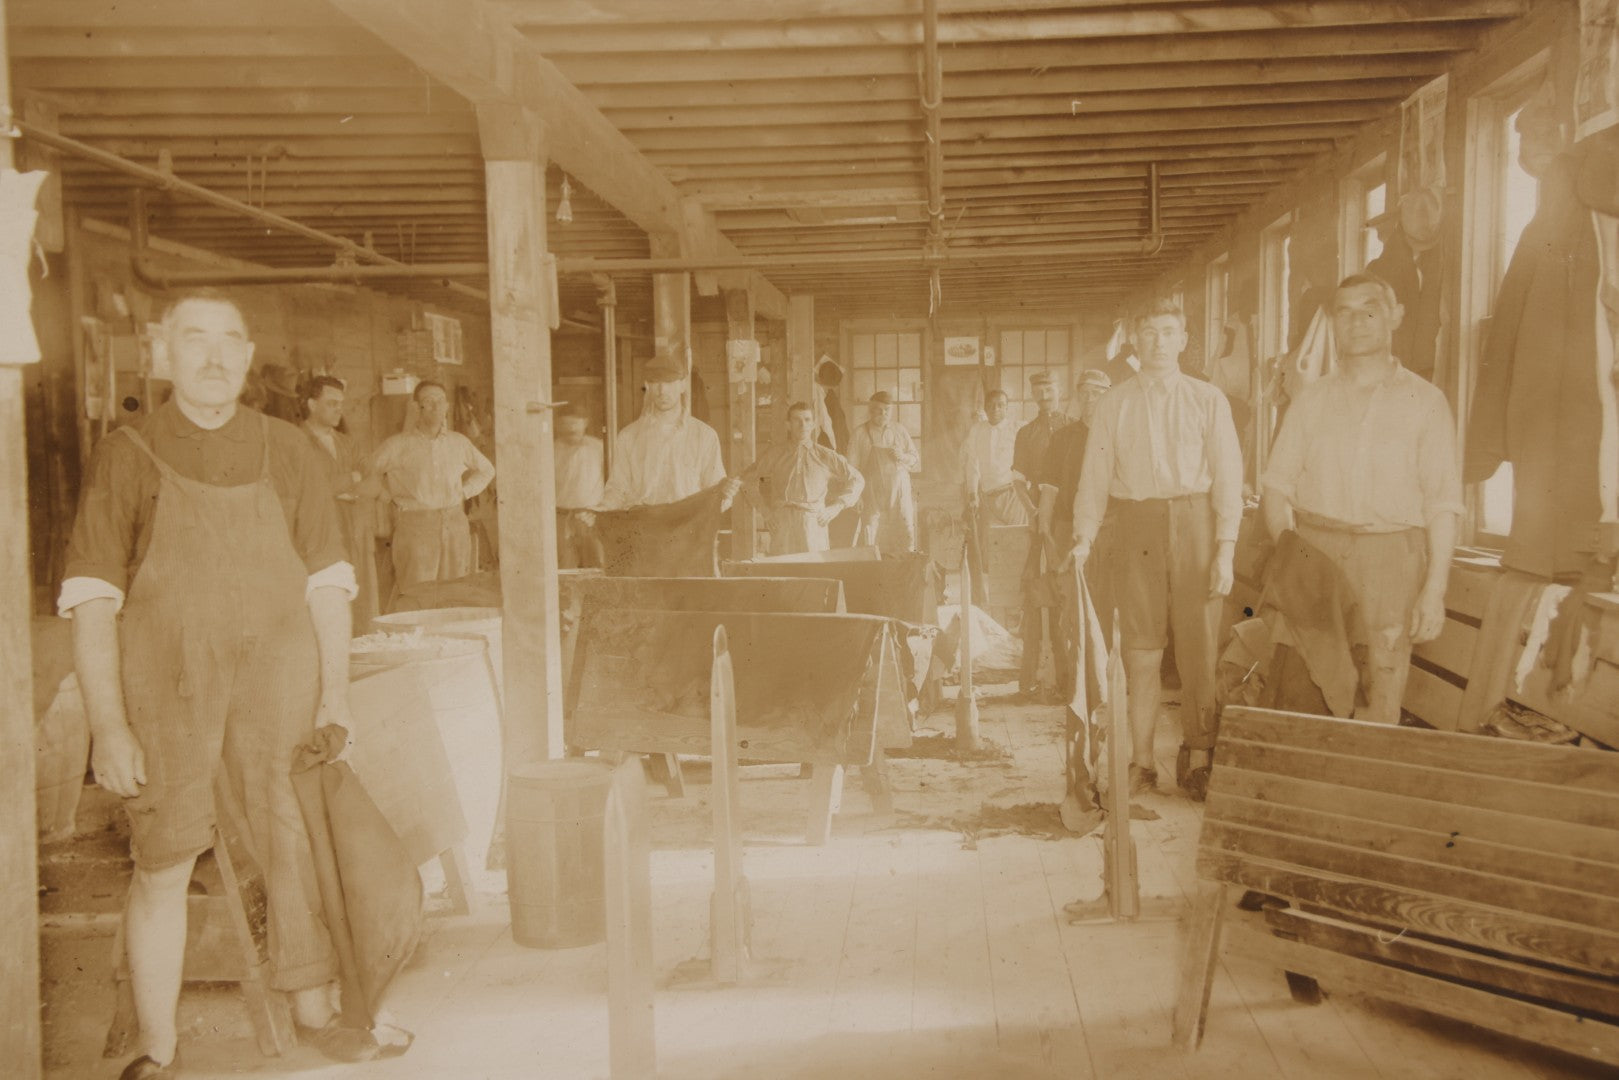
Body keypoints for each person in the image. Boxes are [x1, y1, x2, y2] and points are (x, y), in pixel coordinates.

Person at [59, 291, 362, 1079]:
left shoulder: (290, 450)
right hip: (169, 688)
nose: (214, 356)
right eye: (194, 340)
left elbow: (329, 583)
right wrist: (110, 727)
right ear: (162, 354)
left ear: (249, 352)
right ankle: (156, 1045)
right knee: (163, 857)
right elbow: (92, 600)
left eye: (230, 340)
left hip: (278, 684)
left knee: (291, 838)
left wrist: (335, 696)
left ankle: (316, 1011)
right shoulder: (127, 453)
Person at [1262, 272, 1463, 724]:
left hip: (1391, 559)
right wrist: (1292, 551)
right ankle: (1307, 793)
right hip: (1317, 554)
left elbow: (1443, 502)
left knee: (1381, 684)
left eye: (1369, 309)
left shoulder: (1425, 402)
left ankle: (1361, 792)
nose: (1357, 322)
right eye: (1344, 312)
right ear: (1334, 322)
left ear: (1394, 316)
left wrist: (1434, 588)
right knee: (1306, 686)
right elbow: (1276, 487)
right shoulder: (1311, 401)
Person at [1069, 300, 1242, 801]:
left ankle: (1200, 755)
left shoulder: (1208, 400)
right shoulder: (1113, 403)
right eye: (1149, 333)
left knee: (1199, 652)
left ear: (1184, 340)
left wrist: (1226, 549)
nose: (1159, 343)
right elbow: (1094, 479)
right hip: (1138, 529)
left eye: (1168, 332)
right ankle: (1141, 761)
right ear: (1135, 342)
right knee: (1141, 655)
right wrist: (1083, 537)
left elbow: (1229, 479)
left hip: (1197, 525)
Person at [366, 380, 495, 606]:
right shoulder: (397, 445)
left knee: (456, 592)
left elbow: (487, 470)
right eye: (428, 401)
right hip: (416, 527)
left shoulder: (459, 442)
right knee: (418, 594)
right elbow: (368, 472)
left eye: (440, 401)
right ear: (416, 407)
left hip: (455, 523)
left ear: (447, 406)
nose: (435, 406)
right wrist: (388, 498)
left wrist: (464, 493)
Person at [1037, 368, 1112, 697]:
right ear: (1077, 397)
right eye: (1085, 392)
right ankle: (1073, 685)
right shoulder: (1063, 438)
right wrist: (1044, 523)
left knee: (1107, 604)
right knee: (1071, 607)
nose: (1091, 399)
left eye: (1098, 392)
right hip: (1068, 529)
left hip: (1110, 532)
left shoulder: (1117, 435)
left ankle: (1106, 683)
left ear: (1108, 396)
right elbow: (1050, 487)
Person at [600, 349, 738, 511]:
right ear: (647, 386)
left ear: (682, 385)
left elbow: (717, 494)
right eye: (655, 383)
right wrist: (599, 509)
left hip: (687, 528)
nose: (662, 391)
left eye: (669, 383)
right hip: (644, 528)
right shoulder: (628, 436)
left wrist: (725, 494)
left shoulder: (704, 435)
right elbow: (617, 490)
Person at [736, 401, 865, 556]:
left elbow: (857, 479)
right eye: (797, 420)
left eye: (807, 420)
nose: (802, 425)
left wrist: (836, 507)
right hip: (782, 522)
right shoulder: (775, 454)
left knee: (814, 572)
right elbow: (747, 480)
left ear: (813, 424)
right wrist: (766, 512)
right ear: (788, 425)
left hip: (813, 522)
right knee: (783, 572)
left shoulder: (825, 455)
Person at [1014, 370, 1072, 697]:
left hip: (1071, 520)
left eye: (1048, 389)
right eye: (1038, 391)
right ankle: (1034, 676)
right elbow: (1018, 482)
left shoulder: (1073, 428)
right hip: (1041, 523)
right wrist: (1035, 513)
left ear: (1058, 390)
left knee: (1069, 595)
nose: (1044, 396)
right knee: (1038, 595)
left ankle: (1072, 677)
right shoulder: (1027, 434)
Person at [302, 375, 378, 621]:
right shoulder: (296, 442)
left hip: (355, 531)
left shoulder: (348, 443)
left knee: (362, 606)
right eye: (331, 403)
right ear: (312, 405)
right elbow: (314, 487)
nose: (339, 409)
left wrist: (344, 487)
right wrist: (354, 477)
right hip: (320, 535)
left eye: (341, 403)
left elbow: (374, 482)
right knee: (328, 605)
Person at [846, 389, 920, 552]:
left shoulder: (900, 430)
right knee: (872, 536)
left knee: (903, 535)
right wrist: (856, 496)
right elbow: (851, 469)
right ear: (870, 411)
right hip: (872, 495)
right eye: (878, 409)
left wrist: (902, 457)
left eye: (887, 410)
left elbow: (915, 459)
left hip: (899, 494)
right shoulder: (859, 433)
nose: (883, 413)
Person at [554, 409, 606, 569]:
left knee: (596, 567)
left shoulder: (600, 448)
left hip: (591, 518)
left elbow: (615, 483)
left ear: (586, 422)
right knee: (564, 567)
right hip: (560, 518)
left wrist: (600, 510)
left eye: (575, 423)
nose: (570, 428)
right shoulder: (551, 450)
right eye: (565, 423)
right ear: (557, 425)